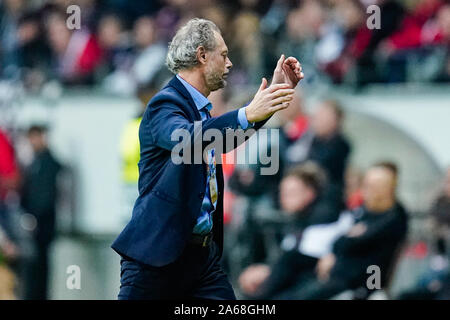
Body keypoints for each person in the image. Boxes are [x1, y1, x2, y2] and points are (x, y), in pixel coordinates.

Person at [111, 18, 304, 300]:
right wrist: (248, 112)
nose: (229, 64)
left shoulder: (198, 108)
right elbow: (186, 140)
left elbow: (223, 137)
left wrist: (271, 99)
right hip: (157, 258)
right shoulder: (166, 102)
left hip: (202, 259)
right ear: (202, 55)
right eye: (223, 55)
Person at [240, 161, 408, 300]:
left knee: (299, 293)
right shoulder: (364, 211)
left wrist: (347, 242)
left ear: (387, 188)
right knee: (292, 259)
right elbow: (341, 241)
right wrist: (340, 247)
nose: (366, 190)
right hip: (335, 267)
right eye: (366, 184)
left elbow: (354, 243)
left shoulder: (393, 217)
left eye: (373, 185)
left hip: (358, 279)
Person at [20, 125, 61, 300]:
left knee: (40, 265)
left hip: (43, 222)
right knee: (33, 266)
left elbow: (46, 195)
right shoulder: (34, 162)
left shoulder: (49, 163)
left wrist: (35, 217)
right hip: (34, 222)